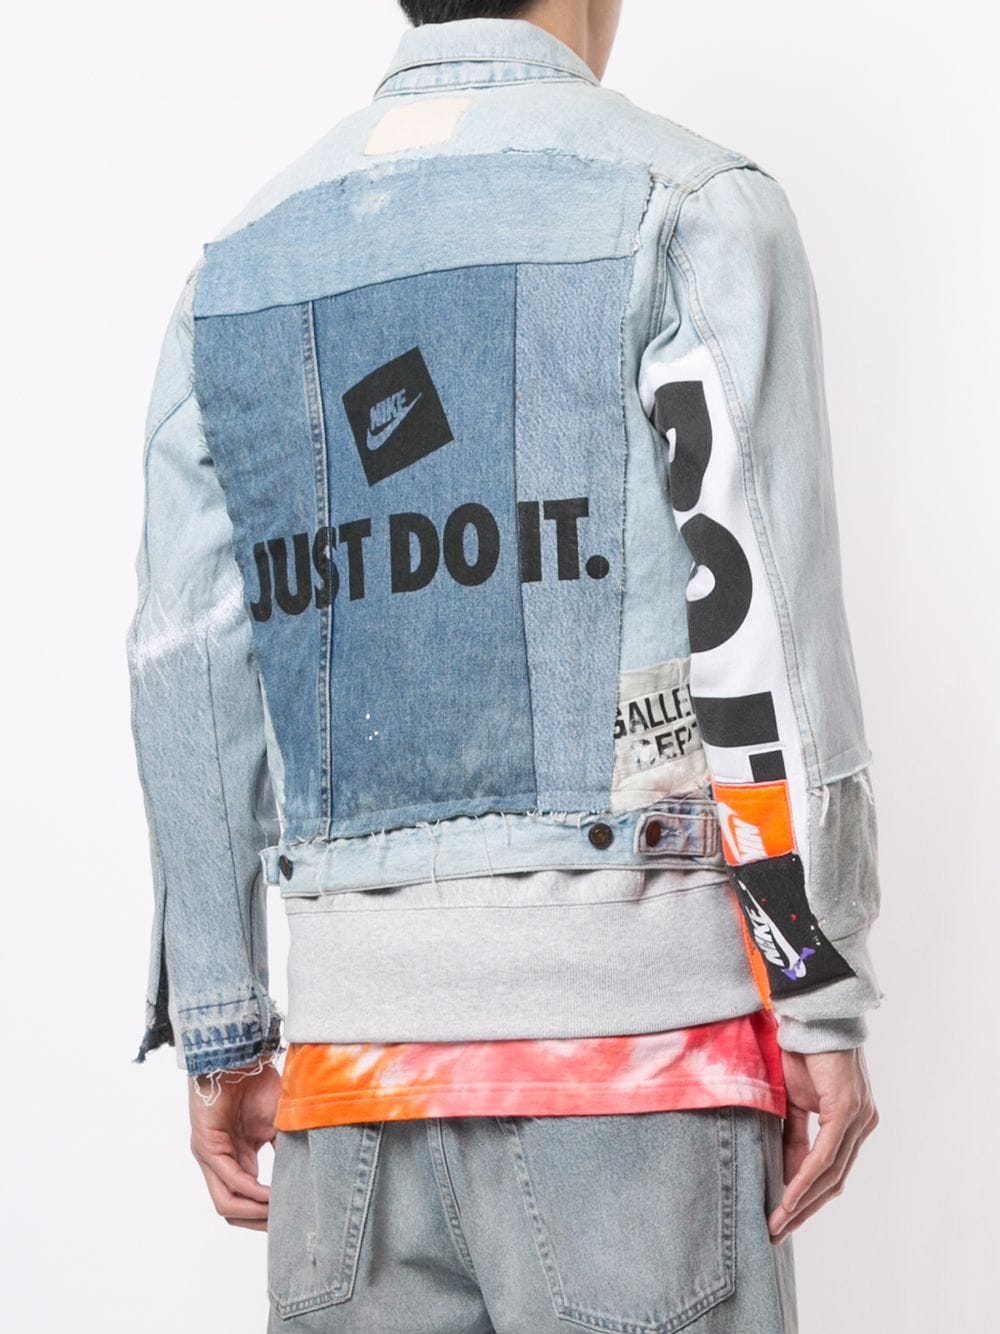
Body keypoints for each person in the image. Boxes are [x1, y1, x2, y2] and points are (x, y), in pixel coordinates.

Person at [126, 1, 884, 1329]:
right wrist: (814, 981)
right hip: (636, 1071)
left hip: (351, 1090)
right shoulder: (686, 211)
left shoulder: (234, 272)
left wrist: (225, 1025)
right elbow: (756, 618)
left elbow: (181, 659)